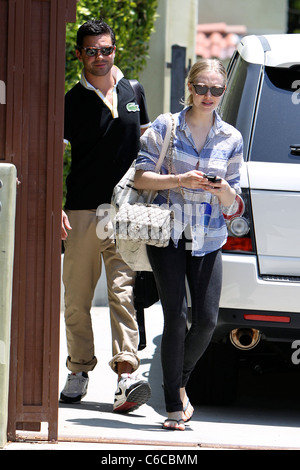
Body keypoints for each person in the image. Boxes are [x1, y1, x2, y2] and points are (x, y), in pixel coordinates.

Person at [134, 59, 243, 430]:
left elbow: (235, 201)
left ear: (223, 92)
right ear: (190, 87)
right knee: (176, 317)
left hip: (210, 237)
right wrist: (180, 179)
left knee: (207, 321)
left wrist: (223, 189)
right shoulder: (166, 126)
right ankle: (172, 407)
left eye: (216, 90)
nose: (208, 95)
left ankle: (178, 382)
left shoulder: (231, 138)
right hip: (168, 233)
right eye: (202, 88)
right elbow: (140, 177)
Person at [60, 19, 151, 413]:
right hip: (81, 211)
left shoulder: (134, 91)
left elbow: (146, 150)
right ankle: (79, 369)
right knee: (77, 299)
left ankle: (126, 375)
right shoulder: (70, 101)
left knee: (123, 293)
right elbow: (52, 159)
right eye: (92, 51)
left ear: (115, 50)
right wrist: (53, 208)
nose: (100, 57)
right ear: (79, 54)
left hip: (127, 211)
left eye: (106, 50)